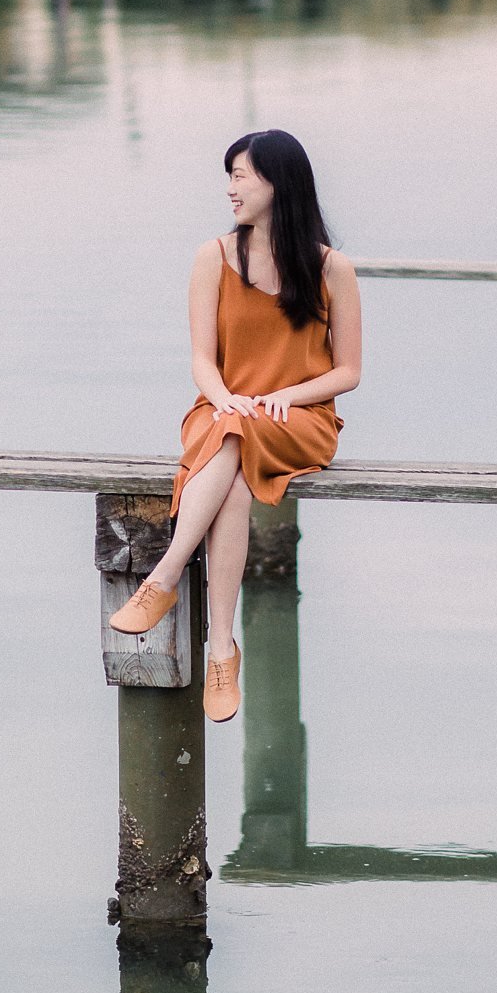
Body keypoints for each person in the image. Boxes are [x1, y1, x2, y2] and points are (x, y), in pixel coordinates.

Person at [108, 131, 362, 723]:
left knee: (238, 438)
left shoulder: (333, 269)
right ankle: (221, 649)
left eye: (241, 176)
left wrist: (281, 396)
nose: (230, 189)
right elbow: (202, 360)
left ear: (279, 183)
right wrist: (229, 399)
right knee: (237, 468)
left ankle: (165, 577)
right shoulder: (213, 257)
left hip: (299, 419)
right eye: (229, 176)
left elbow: (348, 371)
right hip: (223, 411)